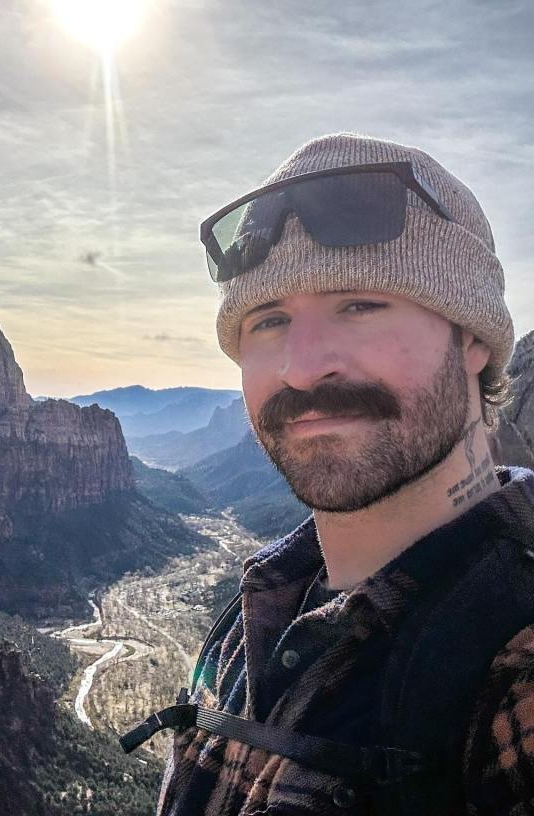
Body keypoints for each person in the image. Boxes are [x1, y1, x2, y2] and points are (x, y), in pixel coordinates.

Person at [121, 133, 534, 814]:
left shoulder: (512, 673)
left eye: (359, 305)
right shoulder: (255, 615)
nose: (302, 365)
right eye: (269, 320)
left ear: (473, 340)